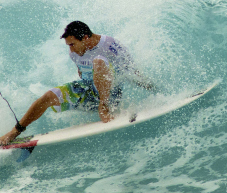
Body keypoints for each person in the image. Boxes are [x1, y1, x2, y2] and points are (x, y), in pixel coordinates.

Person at [0, 21, 155, 146]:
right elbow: (81, 73)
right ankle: (15, 132)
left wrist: (153, 89)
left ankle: (104, 107)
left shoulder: (110, 45)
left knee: (99, 61)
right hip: (89, 91)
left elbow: (132, 72)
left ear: (86, 38)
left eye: (72, 44)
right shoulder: (74, 52)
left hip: (111, 94)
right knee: (48, 97)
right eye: (69, 45)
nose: (71, 50)